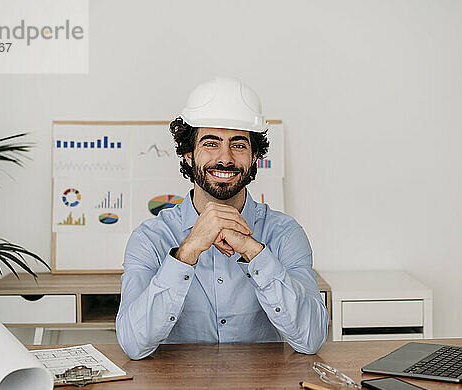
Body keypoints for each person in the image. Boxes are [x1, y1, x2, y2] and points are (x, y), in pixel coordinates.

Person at [116, 77, 328, 360]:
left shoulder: (286, 233)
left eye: (238, 145)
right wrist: (187, 251)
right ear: (189, 155)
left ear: (255, 156)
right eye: (211, 143)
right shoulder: (150, 238)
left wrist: (254, 251)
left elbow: (311, 339)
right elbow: (133, 344)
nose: (225, 158)